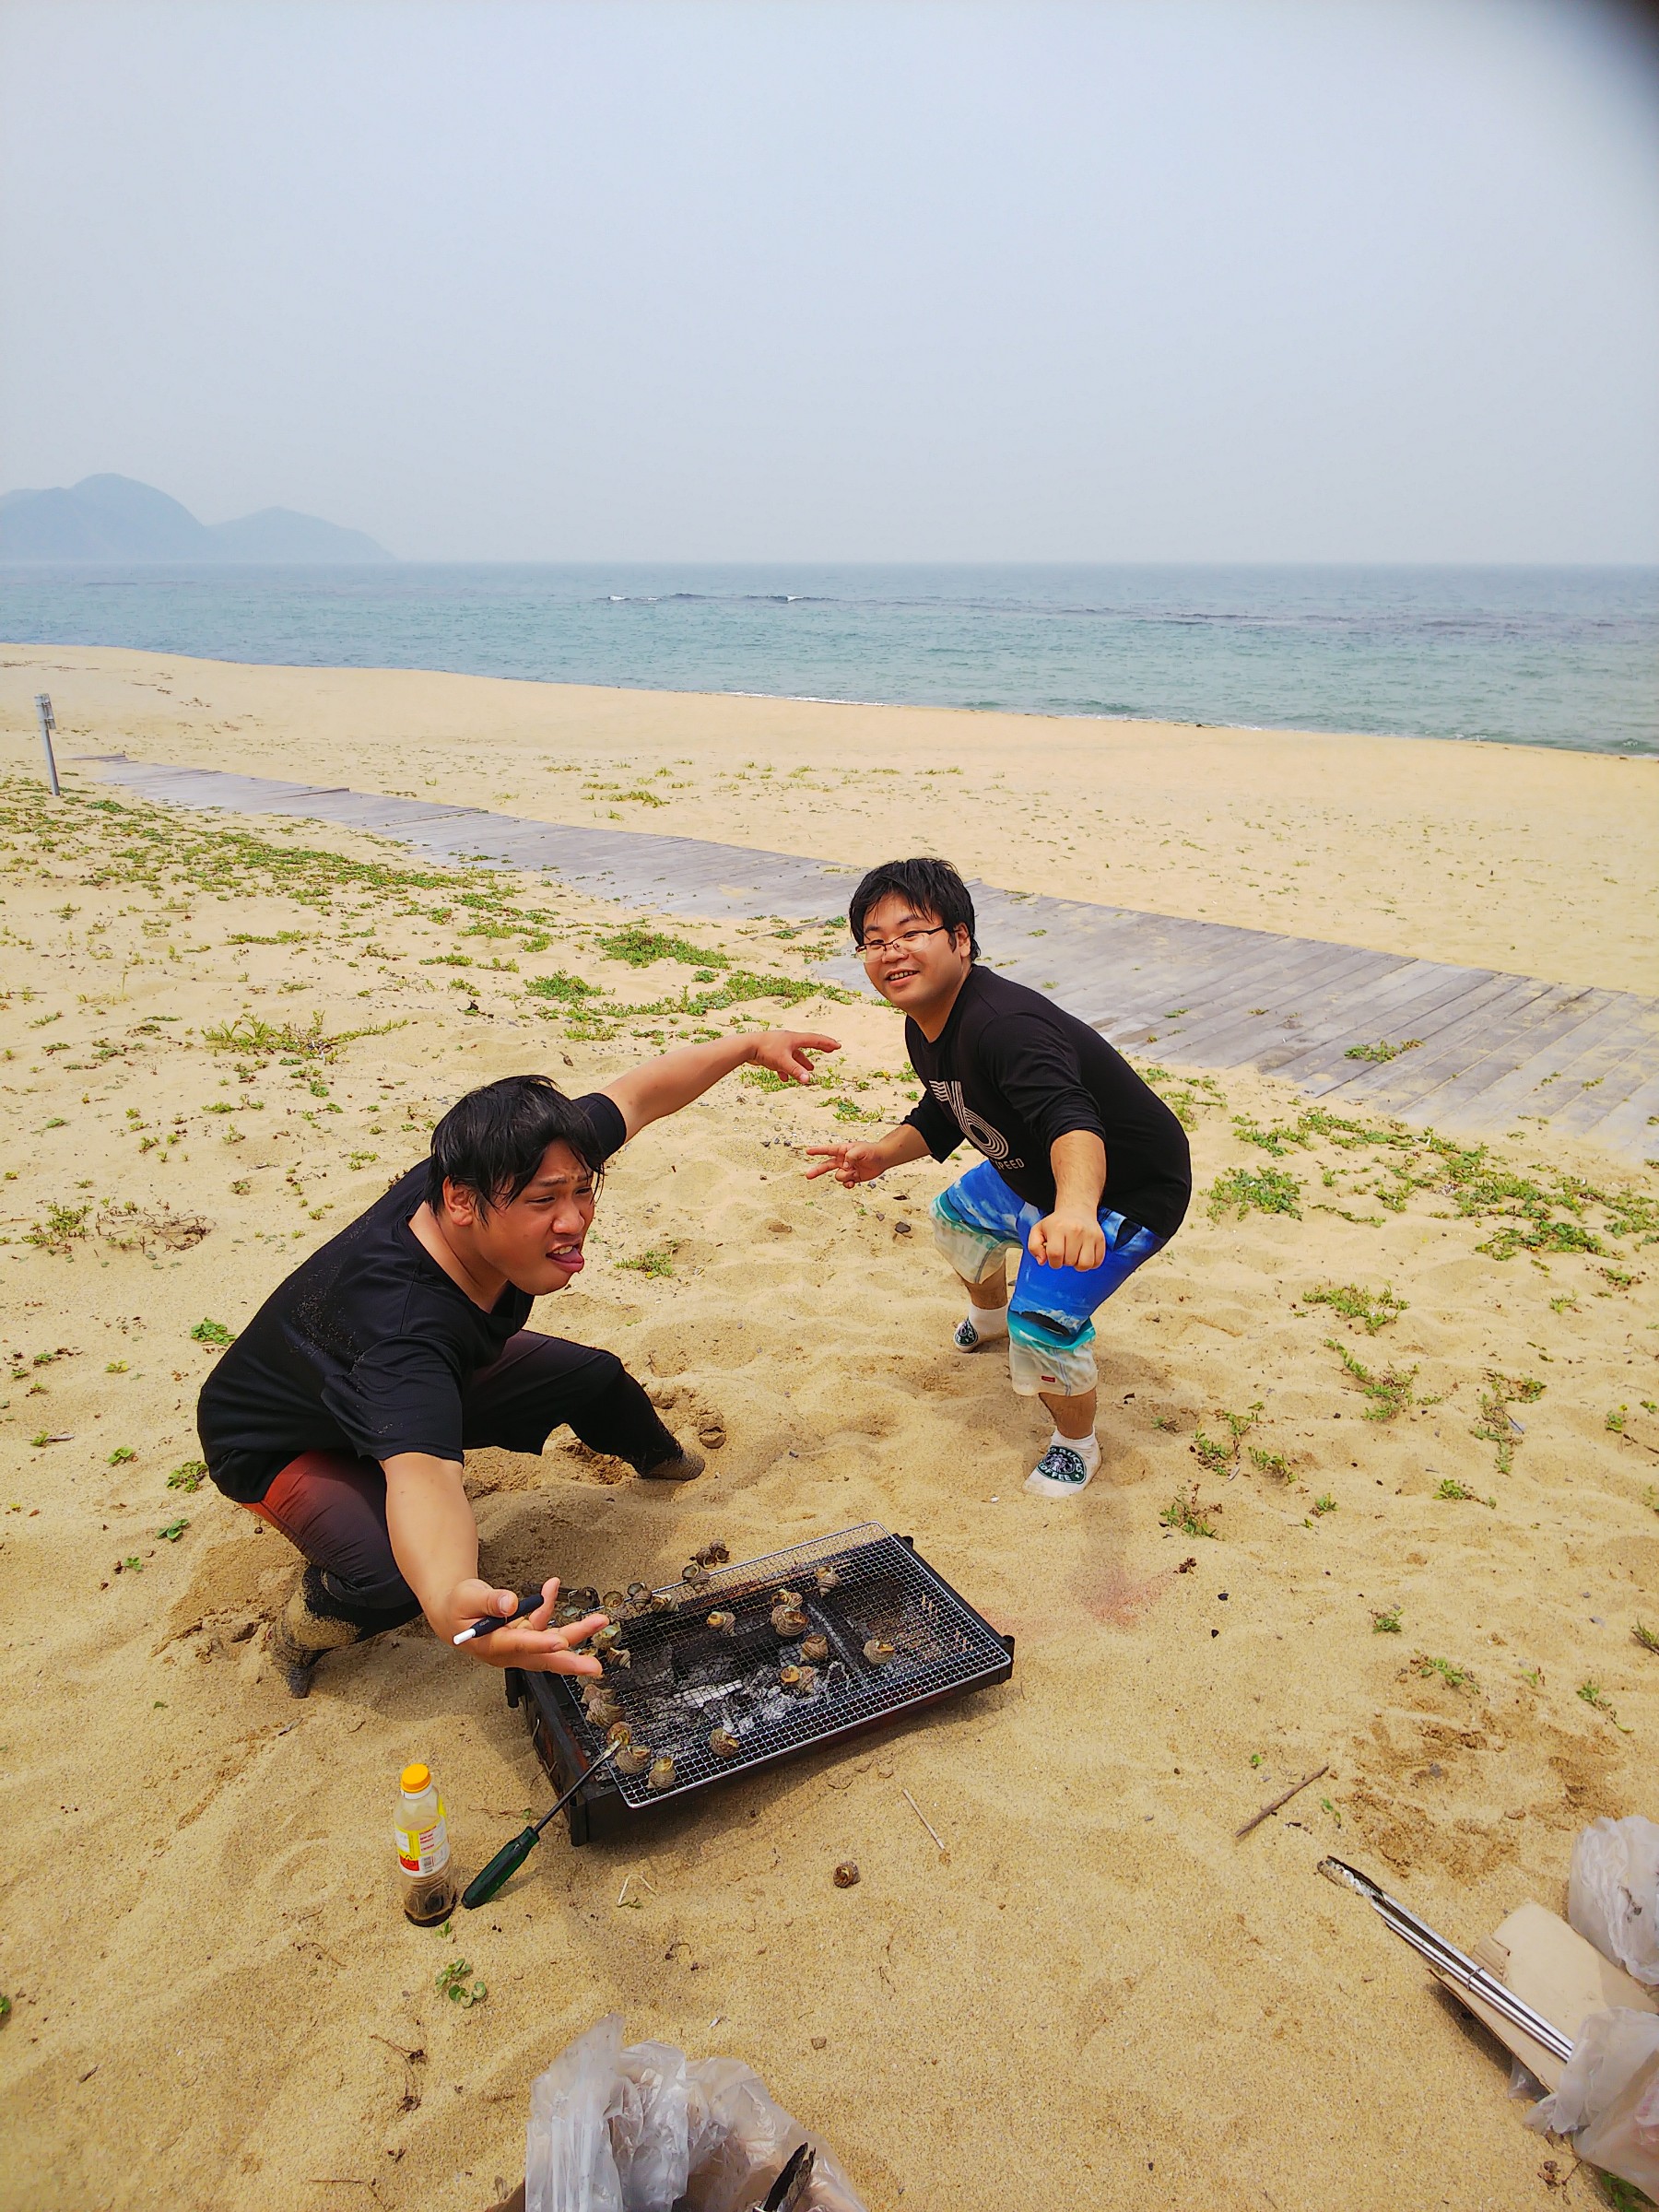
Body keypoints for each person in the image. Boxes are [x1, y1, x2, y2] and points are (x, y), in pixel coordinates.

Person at [198, 1028, 836, 1694]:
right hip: (280, 1441)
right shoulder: (405, 1335)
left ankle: (665, 1462)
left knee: (595, 1378)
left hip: (395, 1380)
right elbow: (426, 1483)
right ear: (460, 1201)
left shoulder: (513, 1161)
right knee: (390, 1579)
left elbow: (639, 1096)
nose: (573, 1220)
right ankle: (302, 1629)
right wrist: (452, 1601)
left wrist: (747, 1047)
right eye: (544, 1202)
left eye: (582, 1192)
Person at [806, 857, 1190, 1497]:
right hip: (1034, 1173)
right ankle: (988, 1318)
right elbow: (947, 1106)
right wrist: (879, 1156)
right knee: (955, 1222)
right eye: (874, 941)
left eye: (911, 933)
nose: (891, 952)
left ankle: (1077, 1444)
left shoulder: (1005, 1025)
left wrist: (1075, 1211)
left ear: (961, 939)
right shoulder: (928, 1020)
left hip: (1124, 1193)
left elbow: (1072, 1119)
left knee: (1040, 1329)